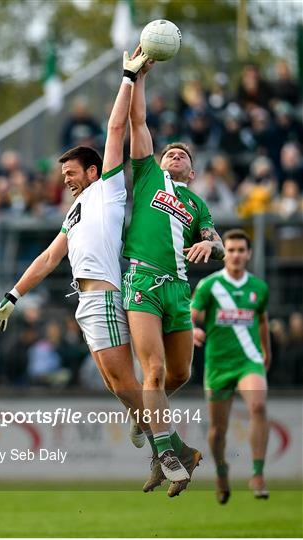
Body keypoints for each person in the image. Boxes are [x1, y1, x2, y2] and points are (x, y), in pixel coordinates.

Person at [0, 49, 150, 448]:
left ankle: (168, 447)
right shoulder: (76, 210)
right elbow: (49, 258)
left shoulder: (108, 189)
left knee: (124, 380)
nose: (65, 180)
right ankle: (147, 421)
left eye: (71, 173)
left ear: (92, 171)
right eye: (63, 174)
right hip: (85, 299)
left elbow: (115, 131)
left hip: (105, 295)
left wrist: (128, 78)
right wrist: (13, 294)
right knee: (115, 383)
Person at [122, 59, 225, 497]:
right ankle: (168, 454)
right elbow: (138, 119)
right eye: (170, 152)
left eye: (183, 155)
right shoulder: (148, 176)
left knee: (178, 374)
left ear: (193, 171)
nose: (174, 154)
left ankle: (153, 428)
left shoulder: (197, 203)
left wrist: (212, 246)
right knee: (155, 371)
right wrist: (139, 76)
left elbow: (216, 239)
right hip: (143, 282)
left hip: (179, 290)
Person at [191, 229, 271, 504]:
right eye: (232, 250)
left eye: (241, 250)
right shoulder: (209, 286)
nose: (236, 255)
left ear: (248, 254)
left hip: (248, 360)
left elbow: (262, 321)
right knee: (218, 430)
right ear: (224, 253)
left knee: (258, 406)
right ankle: (222, 469)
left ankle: (258, 474)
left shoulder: (258, 288)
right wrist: (191, 330)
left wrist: (265, 352)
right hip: (218, 364)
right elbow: (189, 316)